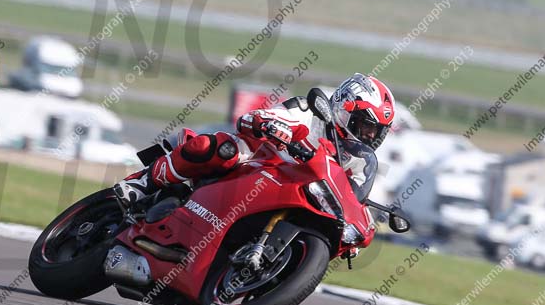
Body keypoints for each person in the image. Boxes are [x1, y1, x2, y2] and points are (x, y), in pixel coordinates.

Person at [115, 73, 395, 206]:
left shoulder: (357, 162)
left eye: (376, 133)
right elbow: (252, 119)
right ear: (346, 107)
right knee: (222, 149)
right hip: (255, 167)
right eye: (366, 127)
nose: (368, 136)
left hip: (292, 197)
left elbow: (354, 198)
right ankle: (143, 183)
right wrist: (270, 125)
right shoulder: (309, 113)